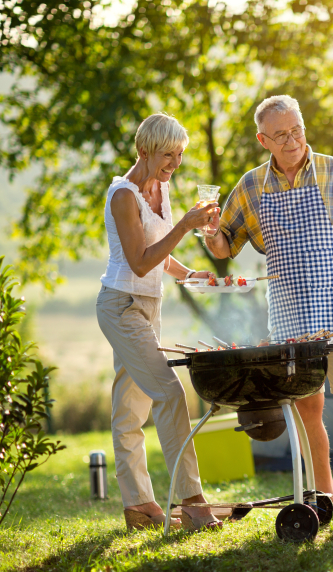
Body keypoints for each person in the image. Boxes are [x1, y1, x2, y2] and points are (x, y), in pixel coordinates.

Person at [206, 95, 333, 519]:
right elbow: (224, 245)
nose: (292, 139)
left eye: (296, 129)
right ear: (264, 140)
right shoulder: (250, 186)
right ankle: (325, 493)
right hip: (291, 313)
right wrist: (208, 232)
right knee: (307, 406)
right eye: (281, 134)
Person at [95, 113, 223, 531]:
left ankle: (138, 506)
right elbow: (139, 259)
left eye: (181, 154)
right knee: (170, 394)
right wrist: (186, 225)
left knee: (130, 410)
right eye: (169, 154)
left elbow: (160, 254)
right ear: (145, 149)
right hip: (120, 304)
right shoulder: (123, 195)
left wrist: (188, 275)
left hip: (150, 304)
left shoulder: (162, 188)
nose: (175, 163)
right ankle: (192, 501)